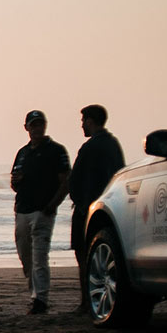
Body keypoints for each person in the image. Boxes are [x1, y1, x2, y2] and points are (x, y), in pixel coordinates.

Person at [10, 110, 71, 315]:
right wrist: (16, 182)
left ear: (45, 126)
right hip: (22, 210)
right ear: (26, 127)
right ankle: (35, 292)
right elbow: (14, 182)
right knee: (25, 255)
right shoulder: (22, 153)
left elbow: (65, 181)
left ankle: (40, 299)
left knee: (39, 256)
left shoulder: (56, 151)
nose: (37, 129)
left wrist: (53, 205)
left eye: (40, 124)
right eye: (33, 125)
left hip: (43, 210)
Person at [68, 104, 126, 313]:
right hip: (109, 207)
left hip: (87, 208)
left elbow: (75, 179)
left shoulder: (90, 147)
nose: (82, 125)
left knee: (84, 256)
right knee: (104, 256)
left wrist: (80, 201)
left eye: (83, 120)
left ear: (91, 121)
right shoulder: (113, 144)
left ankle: (86, 301)